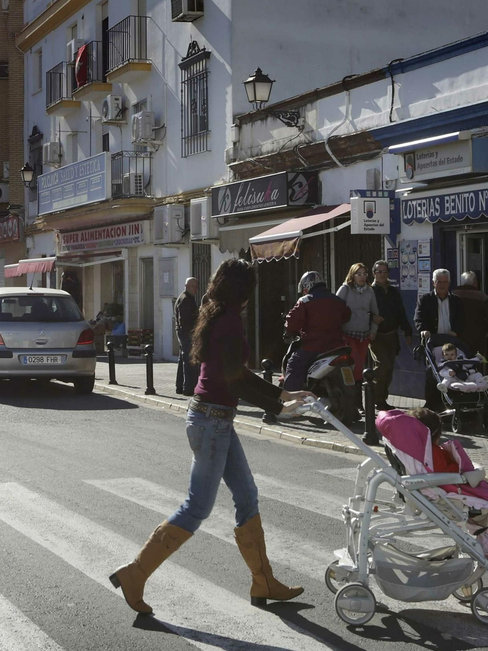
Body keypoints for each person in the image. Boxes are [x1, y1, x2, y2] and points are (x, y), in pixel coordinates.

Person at [109, 258, 311, 614]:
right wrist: (278, 409)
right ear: (243, 291)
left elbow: (238, 374)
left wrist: (281, 396)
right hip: (212, 421)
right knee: (197, 507)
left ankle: (263, 581)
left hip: (214, 419)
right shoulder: (229, 321)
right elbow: (234, 380)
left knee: (247, 495)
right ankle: (135, 573)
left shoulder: (216, 314)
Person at [281, 271, 351, 391]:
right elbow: (347, 316)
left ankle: (290, 401)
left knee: (294, 365)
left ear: (307, 286)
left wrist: (289, 330)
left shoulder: (305, 301)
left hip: (312, 347)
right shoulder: (338, 300)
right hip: (337, 346)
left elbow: (292, 322)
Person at [366, 260, 411, 444]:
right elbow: (363, 311)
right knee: (382, 365)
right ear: (374, 273)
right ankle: (376, 399)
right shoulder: (369, 291)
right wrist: (371, 319)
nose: (382, 274)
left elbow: (401, 312)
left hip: (392, 335)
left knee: (390, 367)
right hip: (376, 336)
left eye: (385, 271)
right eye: (379, 271)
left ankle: (382, 399)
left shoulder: (393, 292)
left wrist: (407, 330)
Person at [413, 269, 463, 412]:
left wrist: (457, 331)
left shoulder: (456, 300)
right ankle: (431, 404)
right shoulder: (425, 299)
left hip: (451, 342)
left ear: (449, 283)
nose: (442, 285)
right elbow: (418, 318)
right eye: (439, 282)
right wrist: (422, 329)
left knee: (453, 370)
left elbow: (462, 319)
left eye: (445, 282)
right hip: (432, 342)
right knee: (432, 372)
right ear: (433, 283)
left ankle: (452, 402)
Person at [334, 263, 378, 392]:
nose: (362, 277)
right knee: (356, 364)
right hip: (347, 333)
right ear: (352, 275)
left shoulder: (370, 291)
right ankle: (352, 397)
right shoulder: (345, 289)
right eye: (359, 274)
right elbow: (335, 309)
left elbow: (375, 313)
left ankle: (358, 401)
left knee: (360, 366)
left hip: (364, 334)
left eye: (364, 274)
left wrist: (373, 331)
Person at [455, 271, 488, 363]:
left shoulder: (452, 295)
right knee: (476, 362)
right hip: (477, 336)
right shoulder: (482, 297)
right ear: (474, 283)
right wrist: (487, 331)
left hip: (457, 335)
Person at [174, 277, 200, 396]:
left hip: (184, 332)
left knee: (183, 359)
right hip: (186, 333)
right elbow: (184, 320)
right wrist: (192, 334)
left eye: (196, 286)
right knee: (189, 361)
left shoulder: (188, 298)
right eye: (193, 286)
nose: (196, 288)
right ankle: (188, 388)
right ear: (187, 286)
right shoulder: (185, 299)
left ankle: (180, 387)